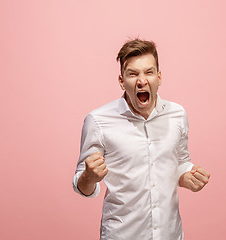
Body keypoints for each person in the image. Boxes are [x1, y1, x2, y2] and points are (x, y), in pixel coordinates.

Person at [73, 38, 210, 240]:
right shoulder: (98, 121)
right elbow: (81, 184)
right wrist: (89, 178)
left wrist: (187, 177)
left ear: (159, 77)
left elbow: (180, 163)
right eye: (133, 74)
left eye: (149, 72)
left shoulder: (177, 115)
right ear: (121, 81)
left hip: (170, 234)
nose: (142, 80)